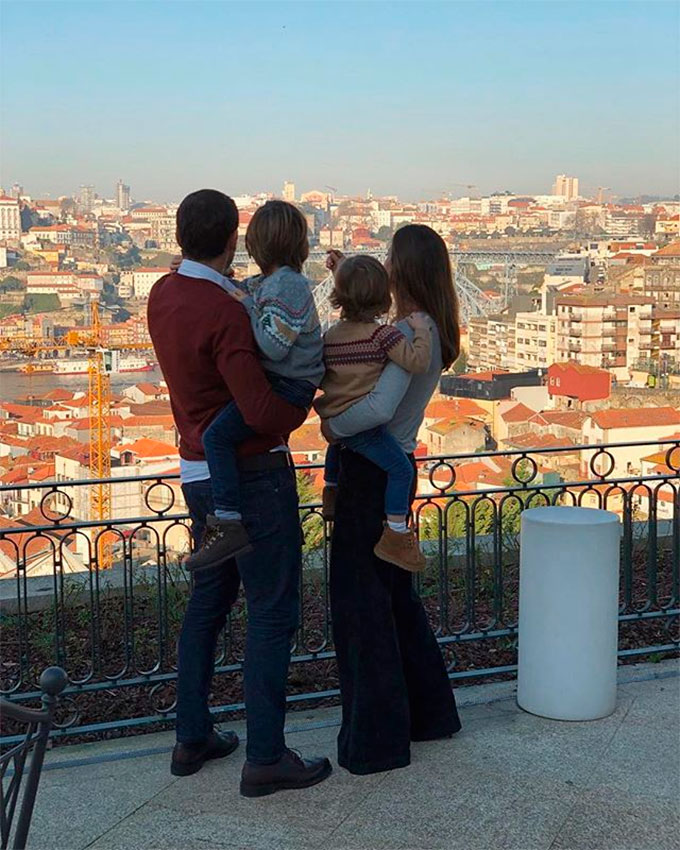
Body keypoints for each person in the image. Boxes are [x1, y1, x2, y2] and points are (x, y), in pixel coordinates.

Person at [147, 189, 331, 797]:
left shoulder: (163, 293)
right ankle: (266, 757)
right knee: (272, 613)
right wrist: (300, 408)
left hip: (199, 473)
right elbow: (258, 409)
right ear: (232, 240)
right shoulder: (226, 309)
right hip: (253, 474)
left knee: (209, 602)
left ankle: (191, 735)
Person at [323, 225, 463, 775]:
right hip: (394, 472)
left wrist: (332, 426)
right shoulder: (429, 329)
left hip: (370, 472)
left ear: (401, 271)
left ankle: (375, 742)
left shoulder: (406, 333)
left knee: (363, 610)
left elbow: (377, 409)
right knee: (396, 603)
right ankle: (429, 715)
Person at [184, 200, 324, 572]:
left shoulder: (290, 285)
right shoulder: (268, 282)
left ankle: (227, 522)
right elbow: (233, 289)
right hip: (280, 382)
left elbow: (273, 347)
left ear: (257, 243)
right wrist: (191, 273)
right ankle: (226, 520)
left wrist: (246, 305)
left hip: (288, 385)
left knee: (216, 438)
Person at [314, 254, 431, 572]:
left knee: (336, 442)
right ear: (384, 298)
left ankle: (331, 491)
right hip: (364, 427)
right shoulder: (384, 336)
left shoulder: (332, 336)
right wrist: (420, 331)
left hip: (334, 416)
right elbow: (417, 362)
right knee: (401, 471)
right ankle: (395, 533)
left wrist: (341, 271)